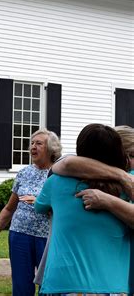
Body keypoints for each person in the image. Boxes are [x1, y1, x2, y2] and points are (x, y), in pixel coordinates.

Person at [35, 124, 130, 294]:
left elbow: (40, 207)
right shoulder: (127, 188)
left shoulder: (55, 183)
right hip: (114, 286)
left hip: (62, 284)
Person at [0, 128, 62, 295]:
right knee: (21, 286)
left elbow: (64, 209)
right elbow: (9, 208)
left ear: (51, 149)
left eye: (39, 143)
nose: (33, 147)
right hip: (19, 235)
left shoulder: (59, 175)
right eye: (32, 143)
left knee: (48, 285)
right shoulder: (23, 173)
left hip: (47, 237)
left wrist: (40, 202)